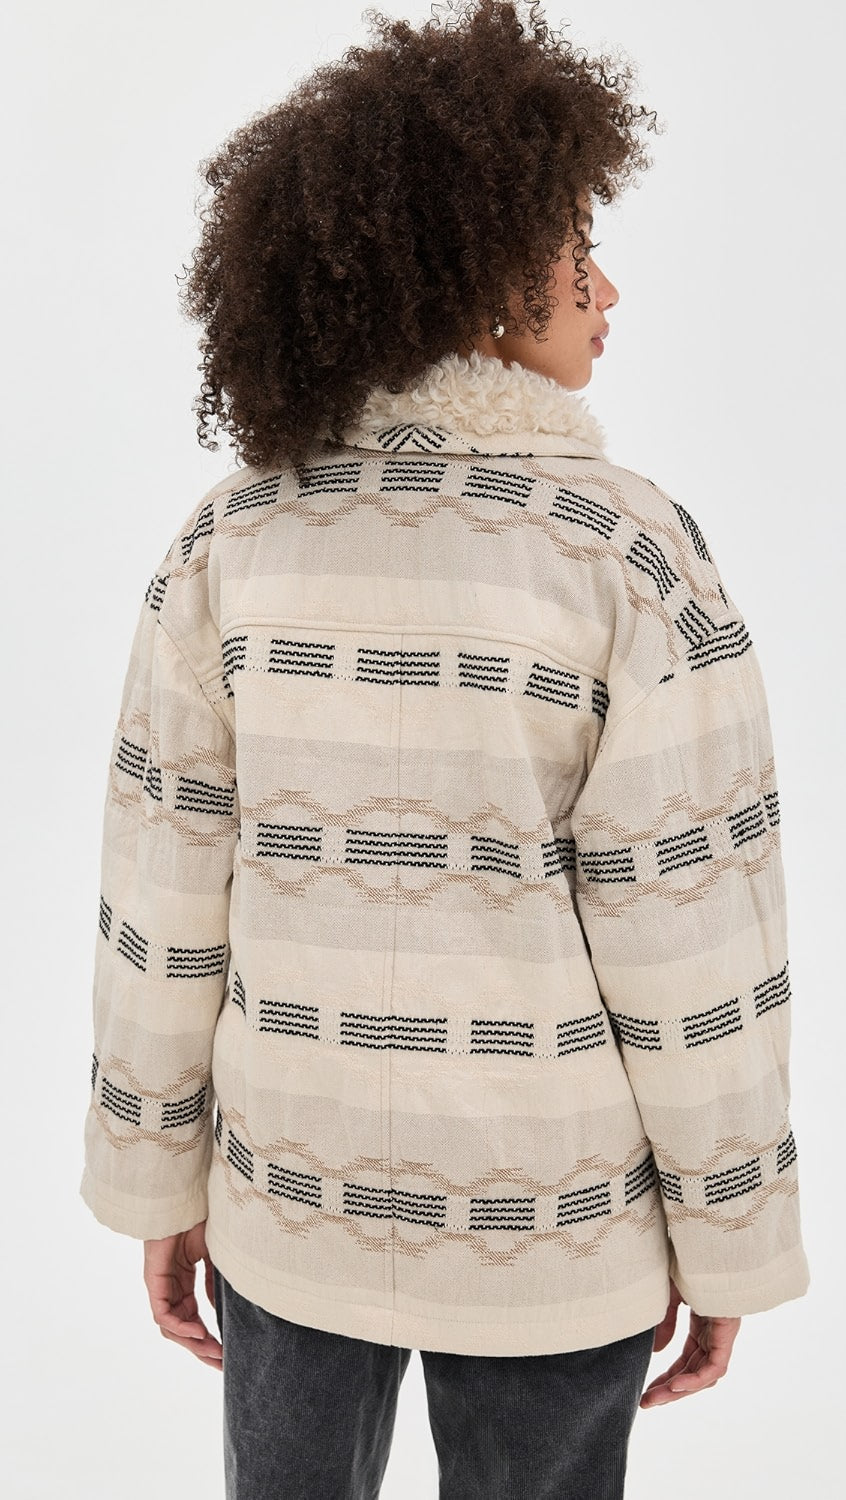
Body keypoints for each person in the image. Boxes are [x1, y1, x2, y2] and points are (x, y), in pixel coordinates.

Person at [79, 1, 810, 1495]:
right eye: (576, 247)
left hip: (289, 1207)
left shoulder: (232, 540)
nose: (608, 287)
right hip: (557, 1230)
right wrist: (728, 1227)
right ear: (477, 275)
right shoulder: (624, 554)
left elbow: (163, 902)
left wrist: (157, 1175)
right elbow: (693, 930)